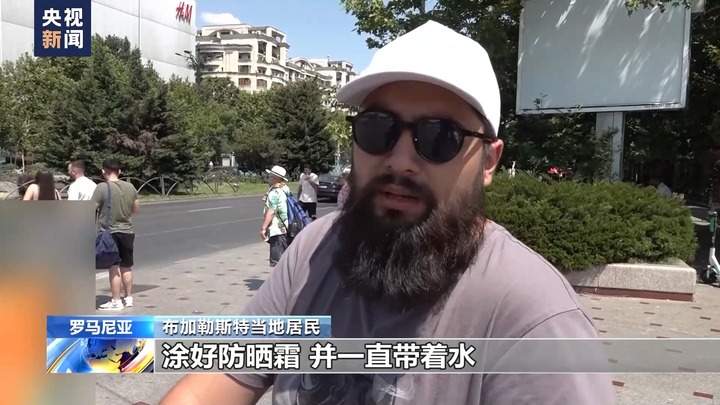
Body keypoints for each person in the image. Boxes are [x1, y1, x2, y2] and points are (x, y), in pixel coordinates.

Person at [160, 20, 614, 405]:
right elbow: (221, 379)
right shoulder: (315, 250)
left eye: (439, 137)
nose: (399, 160)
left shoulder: (534, 320)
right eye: (378, 129)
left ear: (489, 162)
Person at [92, 159, 140, 311]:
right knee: (126, 266)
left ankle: (116, 301)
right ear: (119, 171)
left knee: (114, 266)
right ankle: (129, 297)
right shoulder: (130, 187)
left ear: (103, 171)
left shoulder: (101, 188)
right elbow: (136, 209)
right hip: (127, 231)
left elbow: (91, 208)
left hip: (109, 233)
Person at [261, 165, 292, 267]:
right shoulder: (284, 188)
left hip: (277, 229)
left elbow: (272, 211)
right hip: (286, 228)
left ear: (274, 178)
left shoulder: (275, 192)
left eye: (269, 176)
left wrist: (264, 228)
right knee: (285, 259)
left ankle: (282, 277)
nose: (268, 179)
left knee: (278, 262)